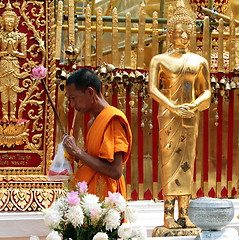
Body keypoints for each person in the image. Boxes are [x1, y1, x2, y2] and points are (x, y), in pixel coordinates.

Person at [148, 0, 211, 229]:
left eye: (188, 32)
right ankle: (167, 215)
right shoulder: (160, 60)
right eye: (179, 32)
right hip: (169, 115)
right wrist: (173, 107)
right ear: (170, 34)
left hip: (190, 116)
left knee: (187, 163)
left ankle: (184, 213)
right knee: (170, 163)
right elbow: (153, 90)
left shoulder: (199, 61)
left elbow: (207, 92)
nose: (184, 36)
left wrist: (194, 105)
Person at [63, 68, 132, 199]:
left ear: (90, 92)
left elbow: (115, 171)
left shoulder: (113, 119)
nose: (72, 104)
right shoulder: (92, 122)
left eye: (74, 98)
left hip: (106, 199)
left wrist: (77, 151)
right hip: (90, 197)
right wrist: (73, 153)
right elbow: (95, 161)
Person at [0, 2, 27, 123]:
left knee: (14, 88)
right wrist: (6, 52)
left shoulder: (20, 36)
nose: (9, 24)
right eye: (7, 22)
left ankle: (13, 113)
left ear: (16, 22)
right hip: (4, 63)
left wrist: (14, 52)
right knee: (4, 88)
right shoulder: (0, 36)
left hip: (15, 63)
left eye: (12, 22)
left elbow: (24, 54)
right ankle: (5, 113)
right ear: (3, 22)